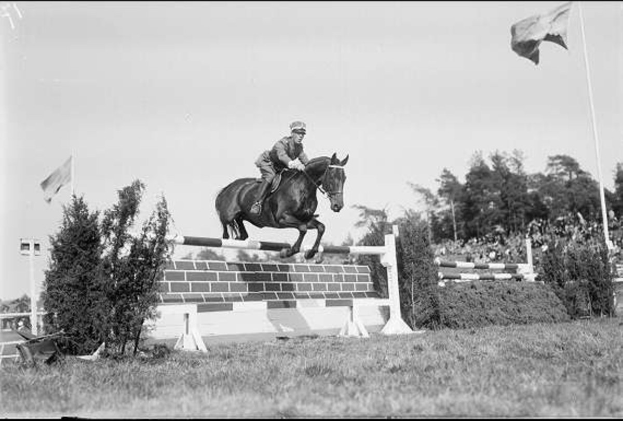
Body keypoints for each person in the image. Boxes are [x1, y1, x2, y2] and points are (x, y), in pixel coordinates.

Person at [250, 121, 310, 215]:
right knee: (270, 176)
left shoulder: (299, 147)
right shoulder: (281, 144)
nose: (301, 136)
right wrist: (297, 165)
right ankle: (257, 203)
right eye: (298, 133)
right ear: (292, 133)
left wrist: (311, 166)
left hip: (281, 167)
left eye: (302, 134)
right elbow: (283, 157)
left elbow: (304, 158)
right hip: (268, 163)